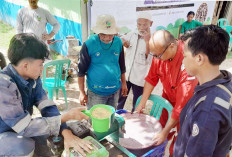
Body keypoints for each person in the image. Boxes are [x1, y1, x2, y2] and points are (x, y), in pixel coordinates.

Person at [0, 33, 93, 157]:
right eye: (40, 64)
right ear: (26, 65)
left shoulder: (33, 78)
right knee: (23, 146)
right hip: (5, 133)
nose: (42, 69)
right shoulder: (3, 85)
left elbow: (48, 107)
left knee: (53, 134)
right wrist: (65, 117)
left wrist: (66, 133)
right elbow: (23, 127)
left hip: (21, 127)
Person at [135, 30, 198, 156]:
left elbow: (181, 107)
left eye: (158, 55)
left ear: (172, 46)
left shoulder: (187, 62)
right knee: (157, 130)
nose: (157, 58)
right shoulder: (160, 53)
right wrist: (142, 103)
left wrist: (165, 131)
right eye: (154, 55)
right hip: (168, 98)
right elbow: (151, 78)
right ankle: (159, 152)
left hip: (186, 108)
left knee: (179, 141)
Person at [174, 25, 232, 156]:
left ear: (199, 58)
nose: (183, 61)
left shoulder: (207, 109)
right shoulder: (226, 81)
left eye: (184, 56)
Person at [78, 14, 127, 109]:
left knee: (110, 118)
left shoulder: (118, 42)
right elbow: (81, 71)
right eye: (103, 34)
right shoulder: (89, 44)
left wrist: (124, 83)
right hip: (96, 93)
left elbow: (122, 65)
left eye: (110, 34)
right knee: (95, 120)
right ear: (98, 32)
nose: (107, 37)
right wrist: (82, 92)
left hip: (115, 90)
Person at [117, 12, 153, 112]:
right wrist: (123, 41)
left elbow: (150, 59)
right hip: (127, 75)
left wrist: (147, 42)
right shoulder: (132, 34)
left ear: (151, 24)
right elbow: (121, 39)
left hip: (140, 79)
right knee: (120, 100)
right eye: (139, 24)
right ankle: (116, 118)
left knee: (136, 104)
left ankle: (135, 121)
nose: (141, 27)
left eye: (145, 24)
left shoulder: (153, 39)